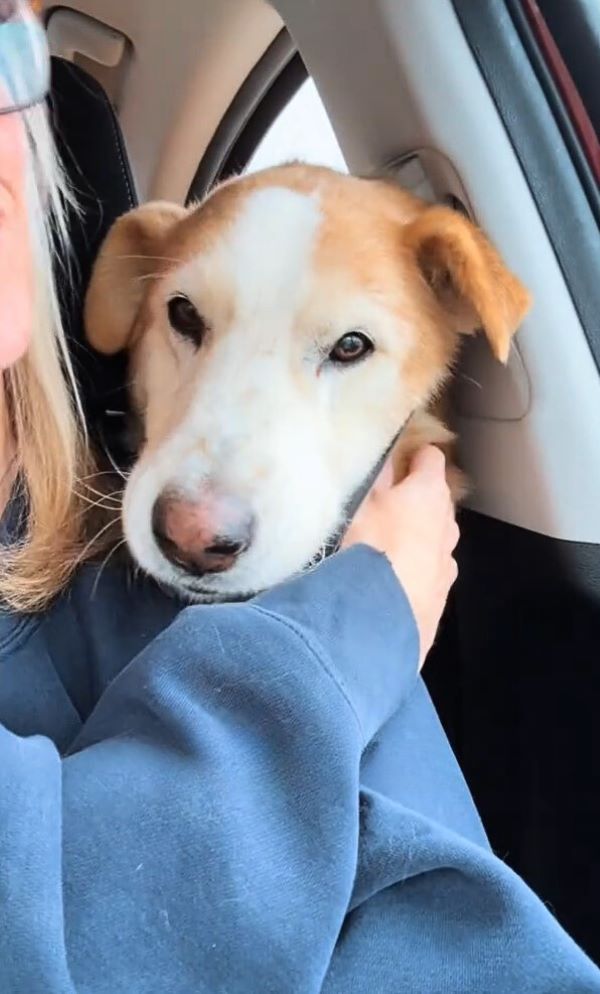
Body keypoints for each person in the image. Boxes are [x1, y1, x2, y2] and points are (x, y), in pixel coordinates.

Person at [0, 4, 599, 992]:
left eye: (347, 347)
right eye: (187, 317)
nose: (204, 513)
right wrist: (352, 628)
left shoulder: (125, 589)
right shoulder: (352, 615)